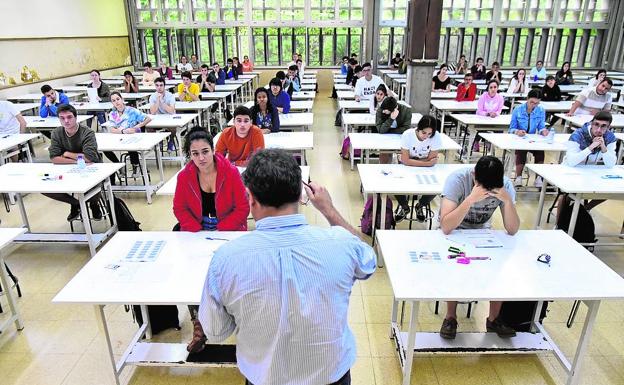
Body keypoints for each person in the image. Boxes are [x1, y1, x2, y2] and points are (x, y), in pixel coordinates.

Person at [195, 148, 376, 385]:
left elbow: (216, 331)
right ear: (302, 194)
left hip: (266, 378)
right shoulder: (340, 243)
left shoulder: (226, 259)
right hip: (332, 376)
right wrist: (328, 210)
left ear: (250, 197)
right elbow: (368, 262)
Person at [438, 155, 520, 340]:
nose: (489, 192)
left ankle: (494, 318)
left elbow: (513, 229)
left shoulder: (504, 185)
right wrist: (469, 200)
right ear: (474, 175)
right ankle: (450, 316)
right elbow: (446, 226)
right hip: (454, 233)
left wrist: (507, 200)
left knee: (501, 265)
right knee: (455, 266)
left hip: (483, 234)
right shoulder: (457, 180)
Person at [173, 127, 249, 232]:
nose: (201, 158)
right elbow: (180, 208)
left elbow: (243, 207)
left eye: (205, 152)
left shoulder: (231, 172)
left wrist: (222, 229)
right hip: (196, 228)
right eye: (195, 153)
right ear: (190, 155)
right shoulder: (184, 177)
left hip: (229, 226)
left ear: (213, 150)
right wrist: (195, 229)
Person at [44, 104, 103, 221]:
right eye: (62, 118)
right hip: (68, 168)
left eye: (69, 117)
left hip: (92, 167)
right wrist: (77, 161)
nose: (66, 121)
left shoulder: (87, 132)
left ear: (76, 118)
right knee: (44, 188)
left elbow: (89, 158)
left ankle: (94, 204)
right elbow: (54, 158)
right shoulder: (56, 133)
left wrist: (67, 154)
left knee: (94, 183)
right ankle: (76, 203)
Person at [557, 111, 617, 215]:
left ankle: (584, 210)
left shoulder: (610, 137)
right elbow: (571, 162)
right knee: (566, 195)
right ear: (591, 123)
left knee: (610, 191)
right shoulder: (578, 135)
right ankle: (560, 224)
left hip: (591, 172)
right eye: (596, 125)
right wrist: (591, 147)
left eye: (603, 126)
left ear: (608, 127)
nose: (598, 130)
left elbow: (611, 164)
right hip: (570, 171)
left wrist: (603, 147)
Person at [394, 115, 443, 222]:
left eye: (430, 134)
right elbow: (408, 161)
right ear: (418, 129)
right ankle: (404, 207)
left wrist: (410, 160)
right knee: (394, 184)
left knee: (438, 186)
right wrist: (426, 162)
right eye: (424, 132)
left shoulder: (437, 137)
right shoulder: (408, 135)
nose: (426, 136)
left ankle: (421, 205)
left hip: (426, 170)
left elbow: (407, 159)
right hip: (407, 168)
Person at [104, 92, 152, 175]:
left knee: (130, 145)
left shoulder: (131, 111)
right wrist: (123, 131)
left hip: (133, 136)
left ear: (122, 99)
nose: (116, 102)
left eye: (118, 99)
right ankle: (119, 165)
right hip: (121, 136)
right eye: (114, 100)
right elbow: (112, 129)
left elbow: (148, 118)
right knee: (105, 149)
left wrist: (138, 126)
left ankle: (136, 165)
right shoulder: (113, 114)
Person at [509, 90, 548, 187]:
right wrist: (517, 132)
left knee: (540, 152)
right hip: (519, 139)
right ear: (527, 99)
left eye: (536, 103)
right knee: (522, 150)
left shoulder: (541, 111)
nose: (533, 105)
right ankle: (518, 177)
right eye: (532, 102)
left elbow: (541, 126)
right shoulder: (517, 110)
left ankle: (538, 178)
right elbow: (511, 129)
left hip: (532, 139)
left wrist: (543, 131)